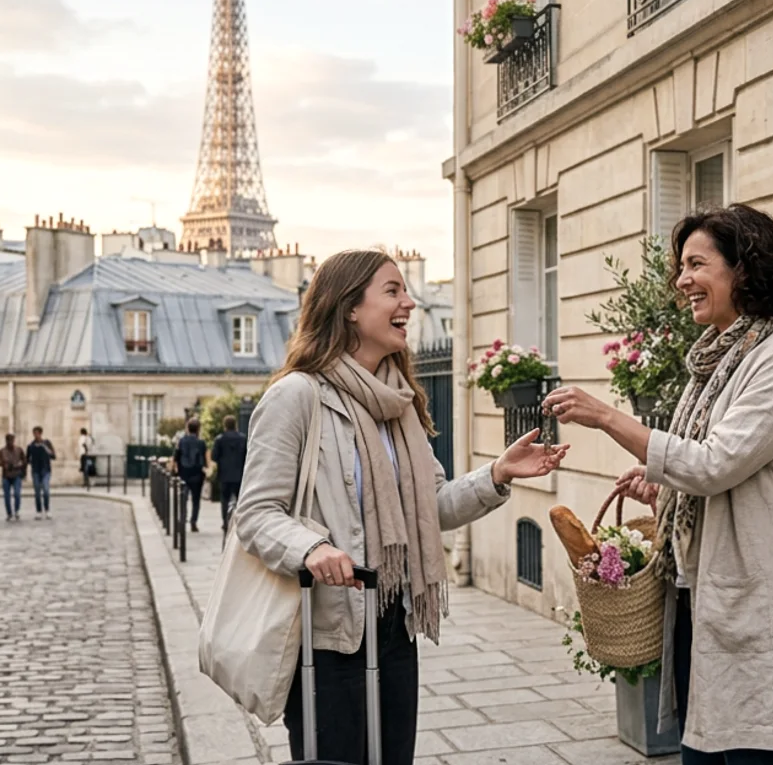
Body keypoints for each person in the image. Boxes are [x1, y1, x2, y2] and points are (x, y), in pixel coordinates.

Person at [234, 249, 568, 765]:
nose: (409, 303)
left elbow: (429, 508)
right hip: (329, 632)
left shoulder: (399, 401)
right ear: (348, 307)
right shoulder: (297, 398)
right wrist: (311, 547)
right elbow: (255, 514)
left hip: (395, 621)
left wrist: (497, 474)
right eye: (392, 291)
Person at [542, 205, 773, 765]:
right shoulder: (715, 360)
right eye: (681, 266)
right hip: (701, 598)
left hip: (757, 598)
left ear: (742, 270)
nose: (682, 280)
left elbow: (715, 464)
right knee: (702, 752)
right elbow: (705, 465)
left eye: (697, 264)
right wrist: (662, 484)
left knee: (753, 750)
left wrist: (607, 417)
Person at [211, 414, 247, 532]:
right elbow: (247, 456)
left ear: (225, 425)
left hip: (225, 475)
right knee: (241, 500)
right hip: (240, 475)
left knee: (224, 500)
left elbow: (214, 457)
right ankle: (241, 522)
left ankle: (225, 522)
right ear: (235, 425)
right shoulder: (243, 438)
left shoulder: (219, 439)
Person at [176, 420, 209, 532]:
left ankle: (182, 520)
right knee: (196, 500)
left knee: (183, 499)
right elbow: (205, 460)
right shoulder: (201, 443)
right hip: (197, 474)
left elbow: (176, 457)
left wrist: (176, 470)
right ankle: (193, 522)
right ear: (198, 429)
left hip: (184, 473)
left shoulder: (181, 441)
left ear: (187, 428)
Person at [0, 434, 28, 521]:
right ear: (6, 441)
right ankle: (9, 513)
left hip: (16, 474)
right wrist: (3, 464)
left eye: (12, 440)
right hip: (6, 475)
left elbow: (25, 461)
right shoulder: (2, 451)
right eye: (8, 440)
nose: (10, 442)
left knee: (17, 493)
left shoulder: (19, 450)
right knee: (7, 496)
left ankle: (17, 510)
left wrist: (22, 470)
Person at [26, 427, 55, 519]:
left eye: (37, 433)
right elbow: (27, 459)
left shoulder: (47, 443)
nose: (35, 435)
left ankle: (47, 510)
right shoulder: (31, 446)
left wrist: (44, 447)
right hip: (36, 471)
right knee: (37, 492)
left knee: (46, 490)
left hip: (46, 470)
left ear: (40, 433)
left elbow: (53, 455)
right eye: (34, 433)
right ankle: (38, 511)